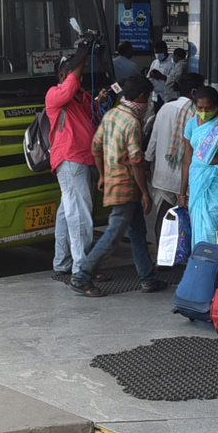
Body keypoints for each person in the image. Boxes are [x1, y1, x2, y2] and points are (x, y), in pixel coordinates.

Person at [75, 74, 167, 296]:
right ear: (143, 97)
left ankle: (148, 278)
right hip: (127, 187)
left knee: (137, 231)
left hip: (115, 183)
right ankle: (82, 276)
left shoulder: (111, 114)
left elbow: (96, 147)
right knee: (114, 234)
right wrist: (145, 192)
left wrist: (103, 175)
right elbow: (136, 161)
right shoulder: (133, 121)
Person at [46, 46, 101, 286]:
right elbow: (70, 85)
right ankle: (82, 269)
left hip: (82, 159)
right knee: (79, 215)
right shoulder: (56, 94)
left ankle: (63, 262)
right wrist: (82, 55)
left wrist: (101, 100)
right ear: (63, 75)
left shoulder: (82, 98)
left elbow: (95, 118)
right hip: (71, 159)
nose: (78, 77)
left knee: (67, 213)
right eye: (73, 74)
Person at [177, 85, 218, 252]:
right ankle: (201, 268)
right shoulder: (191, 125)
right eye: (200, 108)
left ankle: (214, 270)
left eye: (209, 108)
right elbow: (187, 160)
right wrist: (182, 193)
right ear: (194, 106)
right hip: (197, 182)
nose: (204, 112)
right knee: (198, 227)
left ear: (217, 106)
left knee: (213, 229)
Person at [145, 73, 203, 246]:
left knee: (163, 216)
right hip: (188, 177)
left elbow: (153, 139)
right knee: (190, 218)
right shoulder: (198, 113)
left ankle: (162, 258)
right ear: (194, 92)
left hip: (163, 174)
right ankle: (185, 255)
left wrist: (147, 163)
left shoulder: (165, 108)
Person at [148, 40, 174, 105]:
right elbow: (148, 77)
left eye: (159, 52)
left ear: (165, 50)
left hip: (167, 96)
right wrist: (151, 75)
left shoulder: (172, 62)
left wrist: (161, 76)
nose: (157, 55)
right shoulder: (155, 62)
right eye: (156, 53)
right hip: (156, 96)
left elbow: (174, 79)